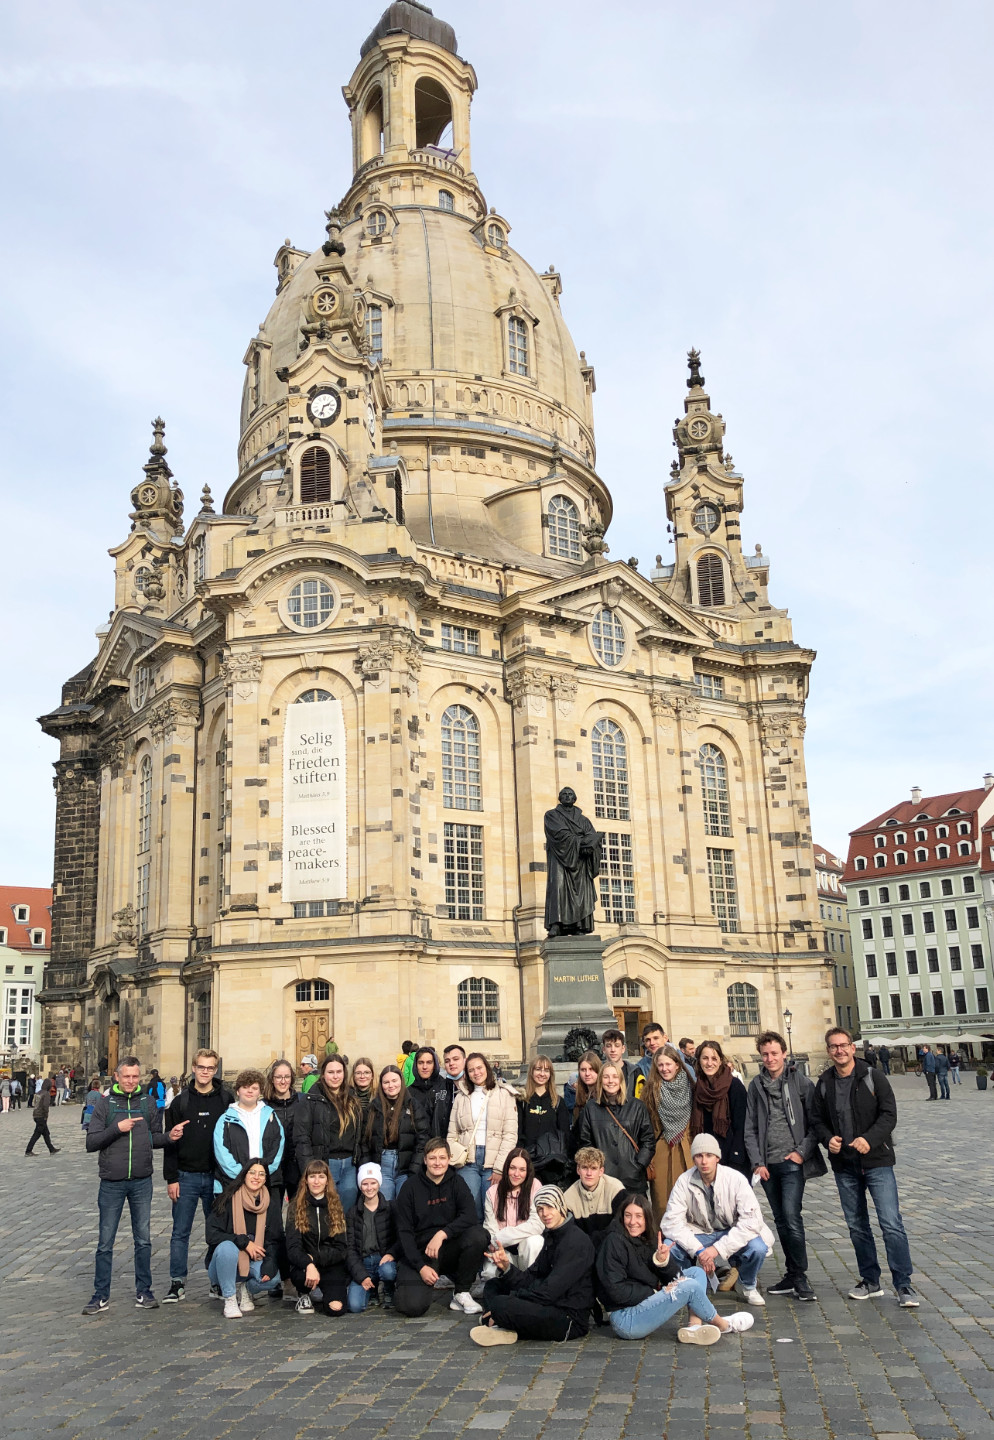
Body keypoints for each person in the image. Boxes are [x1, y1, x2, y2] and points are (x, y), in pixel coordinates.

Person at [810, 1027, 918, 1307]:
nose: (839, 1051)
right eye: (833, 1047)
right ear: (828, 1050)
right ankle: (870, 1280)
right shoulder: (824, 1083)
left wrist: (869, 1140)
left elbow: (889, 1114)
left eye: (843, 1045)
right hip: (845, 1164)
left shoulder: (872, 1076)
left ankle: (903, 1284)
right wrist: (827, 1139)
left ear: (852, 1047)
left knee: (891, 1224)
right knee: (857, 1226)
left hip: (877, 1161)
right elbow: (817, 1120)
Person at [82, 1056, 181, 1314]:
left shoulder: (148, 1103)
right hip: (111, 1183)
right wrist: (117, 1128)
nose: (131, 1081)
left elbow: (153, 1139)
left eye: (135, 1076)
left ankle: (144, 1291)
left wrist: (169, 1137)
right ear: (117, 1076)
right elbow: (91, 1142)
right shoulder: (105, 1104)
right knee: (105, 1242)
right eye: (126, 1076)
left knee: (144, 1240)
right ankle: (100, 1294)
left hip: (141, 1182)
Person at [597, 1191, 754, 1344]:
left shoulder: (648, 1238)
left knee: (696, 1273)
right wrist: (653, 1292)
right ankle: (724, 1325)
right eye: (628, 1215)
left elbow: (675, 1277)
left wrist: (663, 1262)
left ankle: (694, 1327)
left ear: (646, 1218)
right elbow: (615, 1290)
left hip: (646, 1300)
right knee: (689, 1286)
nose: (632, 1222)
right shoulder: (614, 1242)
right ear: (621, 1217)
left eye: (639, 1216)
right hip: (626, 1318)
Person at [744, 1030, 825, 1304]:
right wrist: (757, 1162)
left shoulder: (800, 1082)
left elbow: (816, 1122)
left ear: (784, 1054)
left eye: (774, 1053)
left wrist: (801, 1152)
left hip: (792, 1162)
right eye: (765, 1054)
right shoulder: (755, 1085)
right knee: (780, 1220)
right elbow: (750, 1127)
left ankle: (800, 1276)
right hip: (768, 1166)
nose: (769, 1058)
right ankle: (791, 1275)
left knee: (791, 1217)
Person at [470, 1184, 594, 1346]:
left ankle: (499, 1320)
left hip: (568, 1318)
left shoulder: (576, 1242)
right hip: (548, 1300)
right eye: (540, 1209)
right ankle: (502, 1325)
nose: (545, 1214)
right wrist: (507, 1268)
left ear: (561, 1207)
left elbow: (549, 1292)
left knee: (501, 1304)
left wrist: (513, 1298)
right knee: (494, 1285)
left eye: (550, 1207)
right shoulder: (552, 1235)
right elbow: (532, 1276)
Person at [662, 1133, 775, 1308]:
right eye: (699, 1156)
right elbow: (671, 1223)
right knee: (671, 1246)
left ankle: (747, 1284)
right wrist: (700, 1251)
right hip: (699, 1233)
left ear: (717, 1158)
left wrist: (717, 1250)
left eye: (709, 1155)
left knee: (758, 1247)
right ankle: (688, 1283)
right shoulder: (683, 1181)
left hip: (731, 1229)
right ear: (694, 1159)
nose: (704, 1161)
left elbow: (751, 1221)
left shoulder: (736, 1179)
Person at [162, 1048, 234, 1302]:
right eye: (201, 1067)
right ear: (193, 1068)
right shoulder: (180, 1102)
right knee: (180, 1232)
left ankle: (215, 1280)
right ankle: (177, 1282)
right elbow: (170, 1143)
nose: (205, 1072)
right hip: (186, 1176)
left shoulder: (226, 1099)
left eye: (210, 1068)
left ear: (216, 1070)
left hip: (216, 1177)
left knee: (216, 1232)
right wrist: (171, 1178)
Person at [393, 1137, 490, 1316]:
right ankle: (406, 1282)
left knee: (479, 1235)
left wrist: (443, 1233)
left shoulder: (457, 1183)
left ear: (449, 1159)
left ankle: (461, 1292)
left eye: (442, 1158)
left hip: (450, 1247)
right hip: (421, 1253)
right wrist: (420, 1267)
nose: (437, 1163)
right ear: (425, 1160)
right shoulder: (410, 1187)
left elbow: (469, 1216)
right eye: (432, 1158)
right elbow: (404, 1233)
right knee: (411, 1307)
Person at [206, 1159, 284, 1319]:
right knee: (227, 1247)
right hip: (223, 1264)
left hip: (254, 1261)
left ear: (266, 1179)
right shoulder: (227, 1199)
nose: (256, 1177)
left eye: (261, 1174)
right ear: (244, 1175)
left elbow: (275, 1239)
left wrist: (269, 1264)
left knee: (272, 1280)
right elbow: (212, 1234)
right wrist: (244, 1242)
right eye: (252, 1173)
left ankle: (246, 1288)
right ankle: (230, 1298)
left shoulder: (270, 1204)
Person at [447, 1052, 519, 1222]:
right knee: (471, 1210)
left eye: (479, 1068)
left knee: (493, 1212)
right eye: (471, 1070)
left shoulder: (504, 1094)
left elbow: (510, 1134)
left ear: (487, 1068)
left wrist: (500, 1167)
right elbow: (452, 1133)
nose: (476, 1073)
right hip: (468, 1162)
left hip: (494, 1161)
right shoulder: (461, 1096)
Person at [294, 1054, 362, 1213]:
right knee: (325, 1213)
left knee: (347, 1213)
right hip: (324, 1163)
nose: (335, 1076)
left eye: (339, 1071)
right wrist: (309, 1169)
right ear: (323, 1074)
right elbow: (301, 1137)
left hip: (349, 1165)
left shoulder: (352, 1097)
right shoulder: (311, 1099)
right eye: (331, 1072)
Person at [574, 1062, 654, 1194]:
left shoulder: (637, 1106)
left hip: (632, 1177)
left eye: (615, 1077)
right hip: (603, 1179)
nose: (610, 1081)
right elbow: (585, 1141)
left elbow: (648, 1140)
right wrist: (596, 1167)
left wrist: (638, 1165)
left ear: (621, 1080)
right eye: (606, 1077)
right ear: (600, 1080)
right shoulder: (591, 1108)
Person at [285, 1159, 349, 1316]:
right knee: (302, 1278)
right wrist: (308, 1264)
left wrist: (314, 1259)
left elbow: (341, 1248)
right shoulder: (296, 1206)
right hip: (304, 1266)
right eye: (312, 1177)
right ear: (306, 1180)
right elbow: (293, 1248)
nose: (316, 1181)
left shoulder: (336, 1206)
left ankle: (326, 1289)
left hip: (329, 1263)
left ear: (327, 1181)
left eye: (321, 1176)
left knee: (336, 1310)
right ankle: (304, 1293)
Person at [643, 1045, 694, 1222]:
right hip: (661, 1149)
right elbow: (646, 1123)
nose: (664, 1069)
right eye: (660, 1065)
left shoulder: (691, 1087)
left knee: (689, 1201)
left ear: (678, 1065)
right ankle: (663, 1243)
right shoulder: (650, 1090)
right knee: (662, 1204)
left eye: (668, 1064)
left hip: (687, 1150)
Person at [213, 1068, 284, 1192]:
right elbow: (221, 1152)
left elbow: (278, 1146)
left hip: (267, 1182)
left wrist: (261, 1174)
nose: (250, 1091)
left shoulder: (271, 1117)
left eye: (254, 1088)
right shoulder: (225, 1119)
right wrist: (243, 1175)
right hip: (234, 1183)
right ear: (238, 1091)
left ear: (260, 1092)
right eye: (245, 1087)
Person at [364, 1064, 428, 1199]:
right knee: (385, 1206)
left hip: (406, 1166)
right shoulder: (373, 1108)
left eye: (394, 1081)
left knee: (404, 1207)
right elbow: (365, 1141)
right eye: (386, 1082)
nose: (390, 1085)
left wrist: (414, 1169)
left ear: (401, 1082)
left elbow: (422, 1138)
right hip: (382, 1165)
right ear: (381, 1084)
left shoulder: (413, 1105)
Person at [691, 1040, 749, 1177]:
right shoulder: (698, 1088)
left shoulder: (734, 1086)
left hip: (733, 1157)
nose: (709, 1063)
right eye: (705, 1058)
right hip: (708, 1158)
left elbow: (742, 1125)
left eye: (714, 1058)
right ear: (699, 1061)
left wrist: (736, 1157)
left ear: (720, 1060)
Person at [483, 1147, 544, 1275]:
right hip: (501, 1249)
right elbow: (490, 1227)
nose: (516, 1174)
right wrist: (498, 1244)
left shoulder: (535, 1186)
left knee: (535, 1241)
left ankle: (531, 1282)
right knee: (489, 1276)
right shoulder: (492, 1192)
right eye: (513, 1168)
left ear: (528, 1172)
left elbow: (537, 1225)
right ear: (506, 1169)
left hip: (523, 1249)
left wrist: (505, 1236)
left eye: (522, 1170)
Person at [346, 1162, 398, 1312]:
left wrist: (391, 1253)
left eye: (373, 1183)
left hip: (384, 1260)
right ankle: (372, 1290)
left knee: (388, 1271)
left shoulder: (390, 1208)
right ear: (360, 1186)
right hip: (364, 1263)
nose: (369, 1188)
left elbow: (400, 1239)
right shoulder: (353, 1213)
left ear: (379, 1183)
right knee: (354, 1306)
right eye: (365, 1183)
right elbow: (350, 1248)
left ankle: (389, 1289)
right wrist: (361, 1275)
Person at [517, 1056, 570, 1184]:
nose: (542, 1074)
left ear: (550, 1074)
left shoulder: (557, 1102)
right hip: (527, 1162)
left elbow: (564, 1134)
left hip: (551, 1165)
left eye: (546, 1070)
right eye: (538, 1069)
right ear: (531, 1072)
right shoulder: (522, 1101)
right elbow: (517, 1132)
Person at [562, 1147, 626, 1250]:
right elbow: (570, 1233)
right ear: (578, 1170)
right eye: (584, 1168)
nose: (589, 1173)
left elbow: (621, 1226)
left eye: (593, 1168)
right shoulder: (568, 1198)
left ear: (601, 1171)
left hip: (612, 1245)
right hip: (582, 1248)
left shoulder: (616, 1189)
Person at [264, 1058, 304, 1204]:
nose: (283, 1081)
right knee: (273, 1217)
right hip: (273, 1168)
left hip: (296, 1167)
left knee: (297, 1217)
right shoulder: (264, 1106)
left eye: (286, 1077)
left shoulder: (302, 1102)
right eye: (278, 1077)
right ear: (272, 1079)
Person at [408, 1047, 450, 1136]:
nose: (425, 1067)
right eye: (420, 1063)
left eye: (429, 1062)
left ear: (435, 1064)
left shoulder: (445, 1086)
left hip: (441, 1144)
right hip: (419, 1146)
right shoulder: (409, 1093)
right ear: (416, 1065)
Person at [566, 1050, 602, 1131]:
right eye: (583, 1070)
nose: (587, 1074)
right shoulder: (580, 1096)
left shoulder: (604, 1097)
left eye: (591, 1069)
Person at [25, 1077, 59, 1157]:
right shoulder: (46, 1093)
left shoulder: (39, 1092)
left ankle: (51, 1149)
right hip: (41, 1116)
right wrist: (45, 1116)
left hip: (36, 1114)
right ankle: (28, 1150)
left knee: (46, 1133)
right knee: (37, 1134)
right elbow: (45, 1106)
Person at [350, 1057, 376, 1126]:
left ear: (372, 1075)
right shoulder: (346, 1097)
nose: (362, 1076)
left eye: (366, 1073)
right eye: (358, 1073)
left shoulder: (379, 1097)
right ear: (353, 1075)